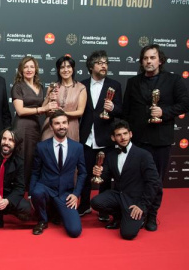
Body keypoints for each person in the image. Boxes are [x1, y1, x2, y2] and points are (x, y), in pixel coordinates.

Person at [123, 44, 189, 231]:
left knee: (156, 180)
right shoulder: (133, 82)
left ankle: (152, 215)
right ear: (142, 61)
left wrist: (164, 112)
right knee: (136, 179)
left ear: (160, 60)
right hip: (138, 140)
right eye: (145, 58)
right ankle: (136, 212)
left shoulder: (173, 80)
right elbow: (127, 112)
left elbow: (185, 104)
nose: (149, 61)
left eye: (152, 58)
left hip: (161, 140)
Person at [91, 120, 159, 240]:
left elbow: (153, 183)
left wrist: (142, 206)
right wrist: (98, 173)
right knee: (96, 202)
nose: (123, 137)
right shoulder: (111, 155)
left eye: (125, 133)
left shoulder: (143, 155)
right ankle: (118, 217)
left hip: (135, 200)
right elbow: (105, 177)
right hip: (119, 195)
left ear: (130, 134)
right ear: (113, 138)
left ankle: (143, 216)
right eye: (119, 135)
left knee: (128, 234)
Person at [78, 50, 123, 221]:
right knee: (85, 173)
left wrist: (114, 109)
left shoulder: (115, 85)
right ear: (91, 66)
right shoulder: (81, 85)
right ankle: (84, 205)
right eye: (100, 62)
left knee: (105, 175)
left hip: (106, 138)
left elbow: (122, 110)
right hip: (86, 139)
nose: (104, 65)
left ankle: (104, 208)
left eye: (106, 62)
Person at [30, 110, 86, 237]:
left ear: (68, 124)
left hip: (65, 193)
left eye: (64, 123)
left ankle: (57, 213)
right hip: (46, 188)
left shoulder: (77, 147)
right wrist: (31, 194)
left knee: (75, 231)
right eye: (57, 123)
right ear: (51, 126)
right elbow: (35, 172)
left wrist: (76, 194)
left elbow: (83, 173)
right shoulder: (42, 147)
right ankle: (42, 220)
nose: (61, 126)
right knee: (37, 192)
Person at [11, 56, 57, 191]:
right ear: (21, 70)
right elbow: (20, 111)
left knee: (32, 159)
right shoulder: (18, 86)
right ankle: (18, 190)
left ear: (36, 69)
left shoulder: (40, 86)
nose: (29, 69)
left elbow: (41, 109)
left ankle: (29, 190)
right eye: (26, 67)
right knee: (21, 159)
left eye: (32, 66)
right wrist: (44, 108)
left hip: (36, 127)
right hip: (22, 126)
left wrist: (48, 96)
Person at [41, 56, 87, 141]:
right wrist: (48, 97)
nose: (66, 70)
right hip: (51, 127)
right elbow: (44, 110)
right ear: (58, 70)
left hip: (71, 126)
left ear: (73, 69)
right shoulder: (52, 86)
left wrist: (63, 113)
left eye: (69, 67)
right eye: (62, 67)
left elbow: (80, 112)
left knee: (70, 152)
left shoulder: (81, 88)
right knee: (48, 152)